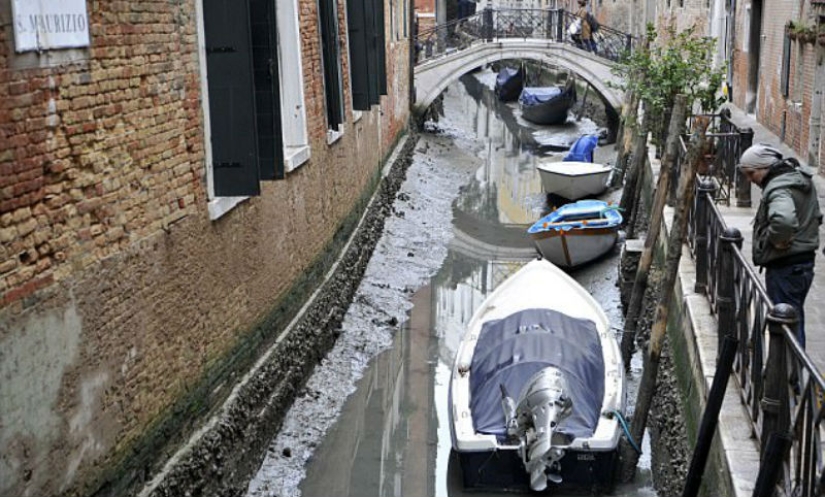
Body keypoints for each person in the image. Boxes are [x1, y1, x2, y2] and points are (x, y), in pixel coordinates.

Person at [737, 143, 822, 348]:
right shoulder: (796, 179)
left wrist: (775, 240)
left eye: (751, 173)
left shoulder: (778, 188)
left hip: (786, 265)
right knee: (793, 316)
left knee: (786, 324)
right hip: (803, 263)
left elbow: (783, 220)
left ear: (764, 168)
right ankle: (791, 373)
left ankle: (789, 377)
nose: (750, 180)